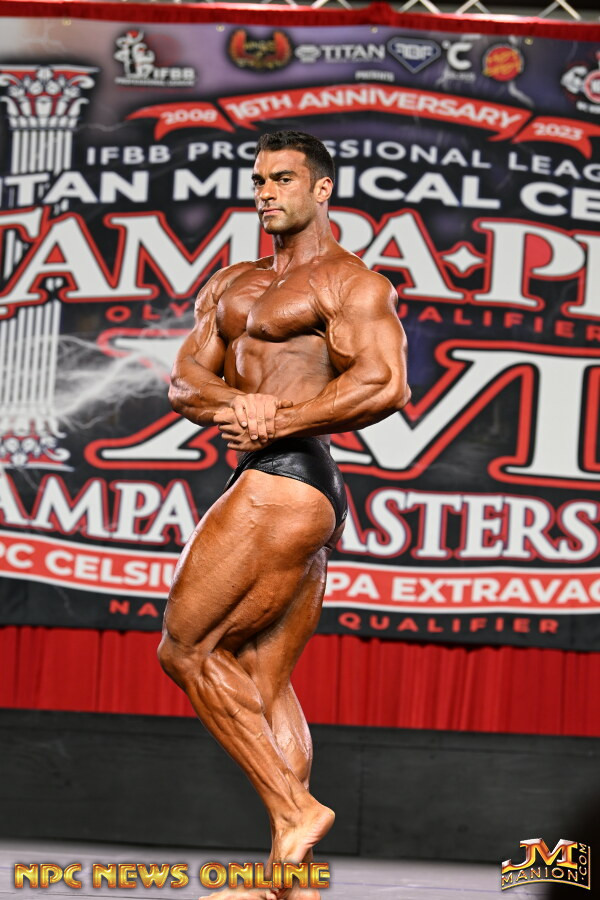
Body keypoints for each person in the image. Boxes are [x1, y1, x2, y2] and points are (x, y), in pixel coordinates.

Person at [158, 130, 410, 900]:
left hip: (288, 481)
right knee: (263, 681)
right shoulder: (232, 283)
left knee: (187, 649)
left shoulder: (351, 283)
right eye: (259, 180)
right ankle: (286, 883)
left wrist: (279, 419)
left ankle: (296, 810)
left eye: (284, 179)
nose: (266, 192)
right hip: (285, 485)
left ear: (322, 189)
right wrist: (239, 406)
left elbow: (384, 384)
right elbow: (185, 381)